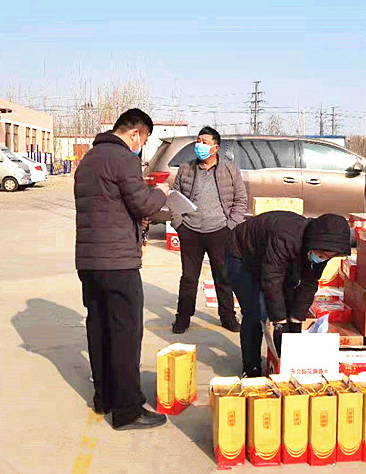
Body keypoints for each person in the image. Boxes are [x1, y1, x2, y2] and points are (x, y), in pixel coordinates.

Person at [75, 108, 171, 431]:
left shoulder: (88, 160)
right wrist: (161, 194)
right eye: (144, 140)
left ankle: (104, 398)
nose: (141, 146)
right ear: (135, 134)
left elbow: (108, 206)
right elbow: (143, 203)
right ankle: (128, 410)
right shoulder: (123, 159)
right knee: (126, 334)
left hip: (89, 261)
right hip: (118, 263)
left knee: (99, 329)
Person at [226, 211, 351, 377]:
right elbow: (272, 279)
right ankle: (251, 367)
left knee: (290, 306)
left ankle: (284, 360)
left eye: (328, 257)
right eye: (321, 255)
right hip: (242, 255)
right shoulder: (286, 238)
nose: (323, 258)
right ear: (313, 244)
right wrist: (279, 321)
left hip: (271, 258)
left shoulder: (320, 247)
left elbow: (309, 282)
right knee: (256, 311)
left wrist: (296, 319)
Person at [170, 126, 248, 334]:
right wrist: (179, 224)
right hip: (190, 230)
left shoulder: (230, 170)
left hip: (220, 231)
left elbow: (241, 199)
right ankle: (183, 318)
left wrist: (231, 225)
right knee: (189, 278)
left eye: (205, 142)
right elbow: (174, 198)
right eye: (198, 141)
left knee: (223, 277)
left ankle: (227, 317)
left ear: (216, 147)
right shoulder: (186, 169)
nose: (200, 146)